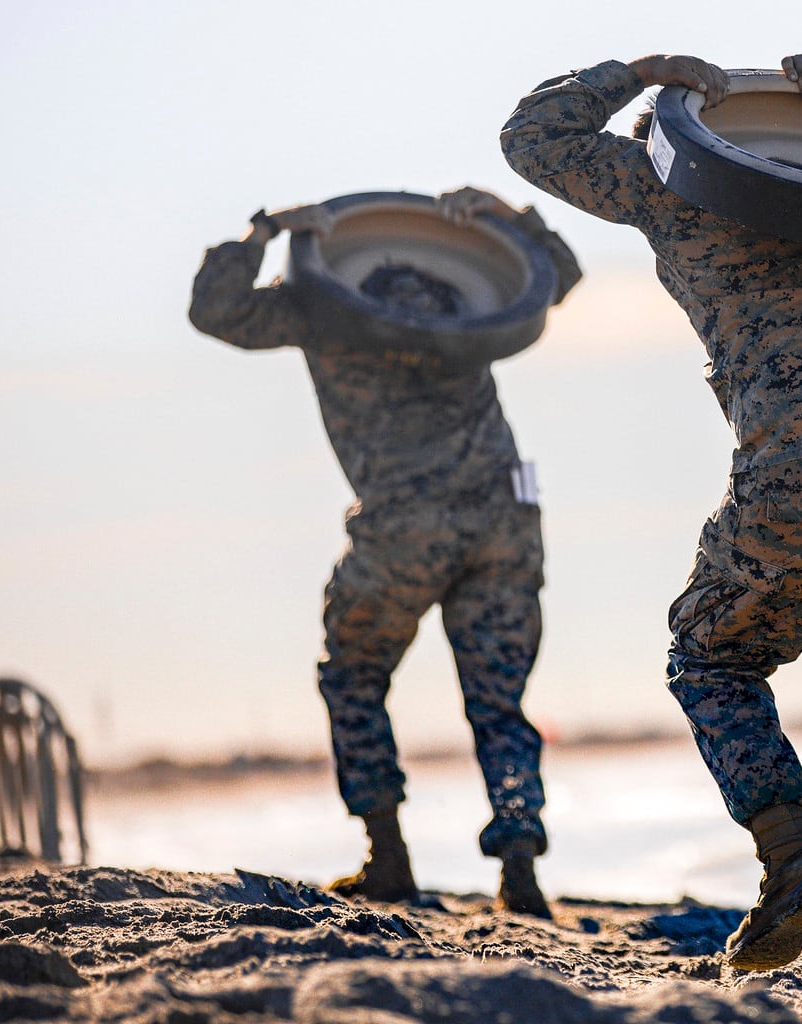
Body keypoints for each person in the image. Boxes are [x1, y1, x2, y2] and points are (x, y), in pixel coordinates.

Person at [502, 49, 802, 978]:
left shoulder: (661, 188)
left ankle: (793, 860)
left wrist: (643, 72)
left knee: (710, 657)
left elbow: (533, 137)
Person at [186, 186, 584, 918]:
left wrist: (266, 228)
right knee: (500, 703)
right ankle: (520, 865)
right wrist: (507, 217)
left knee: (355, 675)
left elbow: (214, 309)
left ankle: (389, 855)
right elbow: (555, 275)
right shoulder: (467, 315)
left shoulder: (320, 310)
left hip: (403, 526)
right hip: (505, 518)